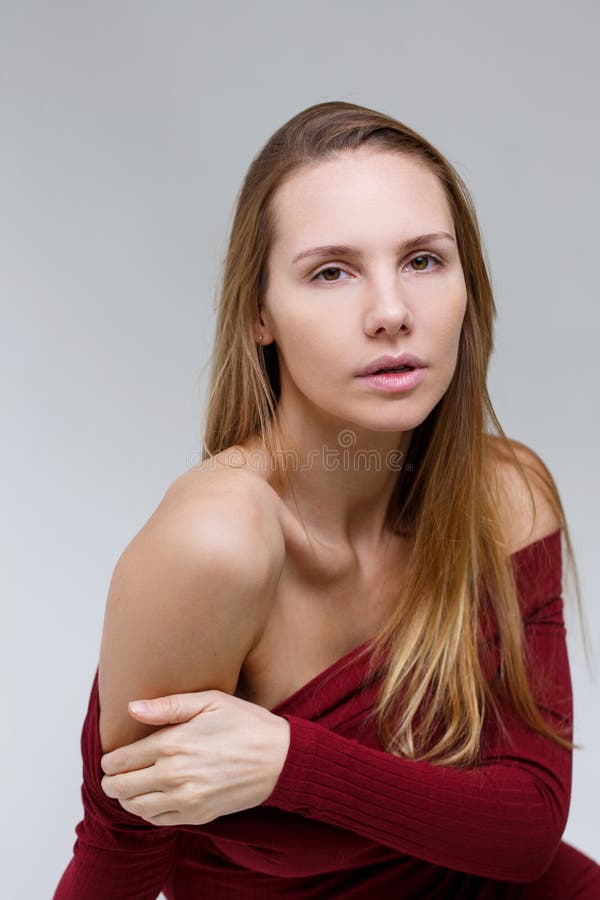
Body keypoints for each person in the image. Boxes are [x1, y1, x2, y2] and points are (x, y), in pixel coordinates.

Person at [54, 100, 600, 898]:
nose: (391, 314)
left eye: (423, 260)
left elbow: (528, 826)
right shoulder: (218, 543)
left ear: (467, 286)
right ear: (259, 316)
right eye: (331, 271)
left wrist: (288, 763)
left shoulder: (505, 495)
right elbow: (121, 853)